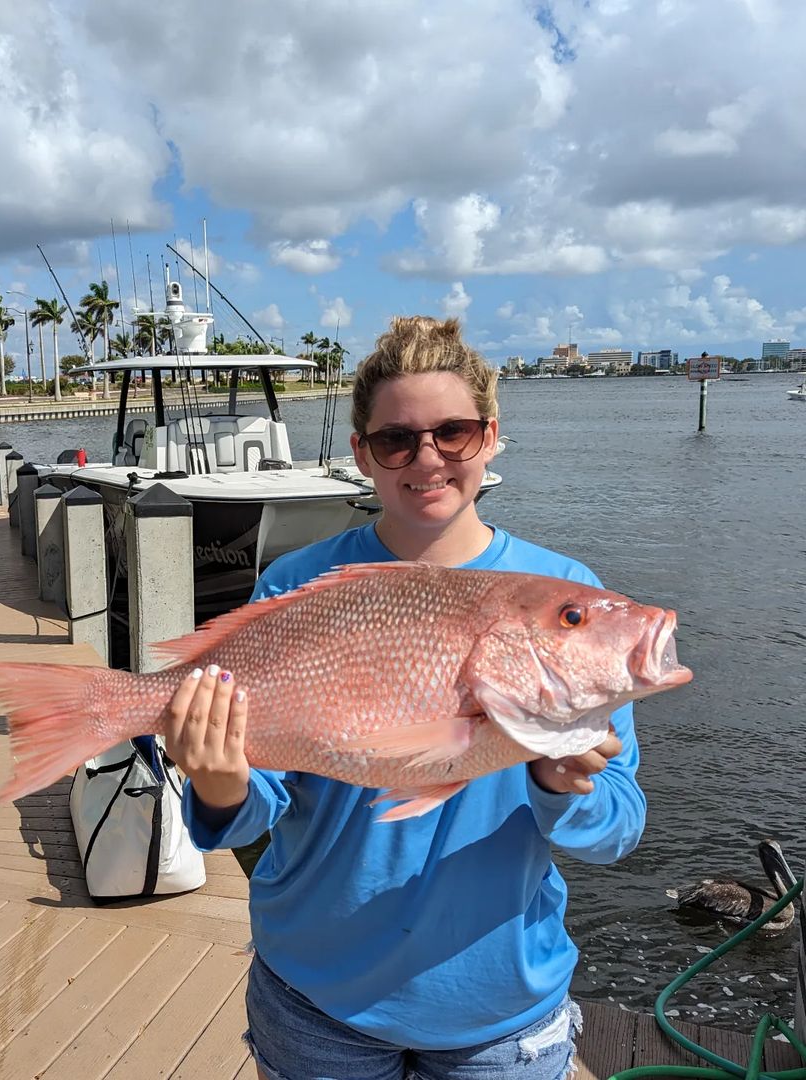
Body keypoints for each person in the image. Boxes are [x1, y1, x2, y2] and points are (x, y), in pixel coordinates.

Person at [162, 316, 645, 1080]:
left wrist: (560, 781)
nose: (428, 459)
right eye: (397, 440)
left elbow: (617, 832)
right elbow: (253, 809)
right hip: (316, 998)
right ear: (362, 454)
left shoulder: (567, 599)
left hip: (500, 1010)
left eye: (453, 433)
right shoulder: (298, 583)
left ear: (489, 436)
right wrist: (220, 782)